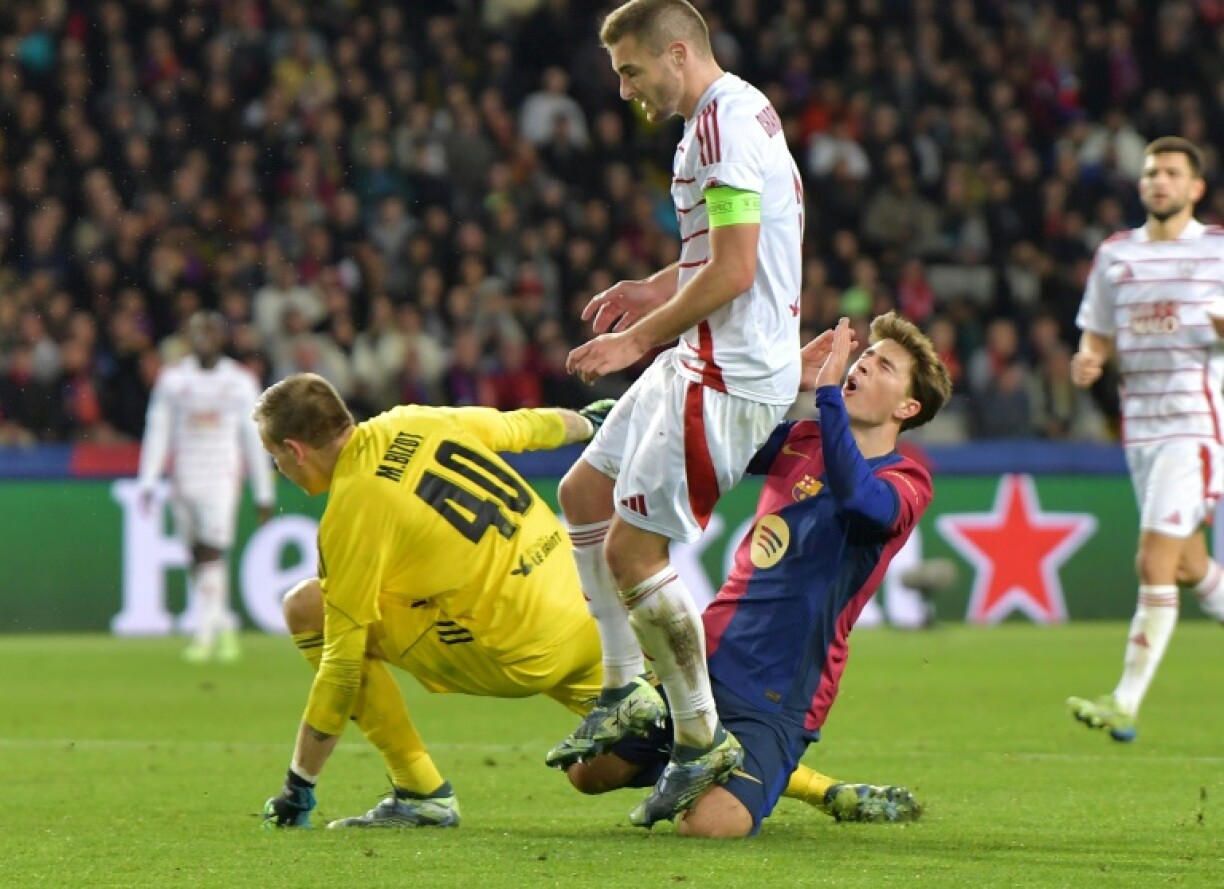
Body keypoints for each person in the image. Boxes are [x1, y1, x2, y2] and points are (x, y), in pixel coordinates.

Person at [256, 374, 913, 829]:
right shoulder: (412, 420)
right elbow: (523, 427)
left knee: (311, 610)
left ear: (294, 448)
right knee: (669, 731)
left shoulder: (350, 510)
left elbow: (341, 668)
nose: (283, 474)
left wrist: (300, 781)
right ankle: (827, 788)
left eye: (278, 461)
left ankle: (419, 787)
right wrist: (594, 422)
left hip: (513, 643)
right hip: (585, 606)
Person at [554, 0, 806, 826]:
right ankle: (626, 687)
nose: (625, 90)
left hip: (730, 372)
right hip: (699, 353)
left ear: (675, 51)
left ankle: (701, 738)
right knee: (584, 495)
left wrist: (638, 341)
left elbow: (734, 273)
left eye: (631, 71)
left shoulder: (723, 127)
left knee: (634, 550)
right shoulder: (722, 117)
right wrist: (651, 290)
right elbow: (715, 257)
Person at [562, 314, 952, 836]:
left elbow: (861, 501)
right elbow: (721, 435)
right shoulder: (805, 438)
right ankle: (695, 759)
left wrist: (830, 396)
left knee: (706, 830)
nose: (863, 364)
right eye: (865, 355)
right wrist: (789, 376)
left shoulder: (905, 480)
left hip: (779, 693)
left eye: (884, 365)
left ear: (907, 408)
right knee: (587, 775)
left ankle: (733, 772)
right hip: (707, 658)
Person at [1067, 136, 1224, 742]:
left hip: (1196, 428)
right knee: (1187, 565)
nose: (1159, 181)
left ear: (1195, 188)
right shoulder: (1115, 256)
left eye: (1172, 173)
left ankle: (1126, 700)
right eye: (1152, 172)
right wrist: (1088, 361)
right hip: (1141, 432)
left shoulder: (1215, 250)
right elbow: (1097, 333)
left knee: (1152, 559)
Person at [136, 311, 275, 663]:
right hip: (183, 477)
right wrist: (149, 479)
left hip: (221, 477)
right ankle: (225, 626)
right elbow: (158, 429)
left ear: (222, 338)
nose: (203, 340)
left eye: (210, 333)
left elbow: (253, 436)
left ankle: (203, 637)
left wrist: (263, 490)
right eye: (198, 333)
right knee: (197, 555)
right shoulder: (172, 379)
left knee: (212, 551)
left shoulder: (240, 382)